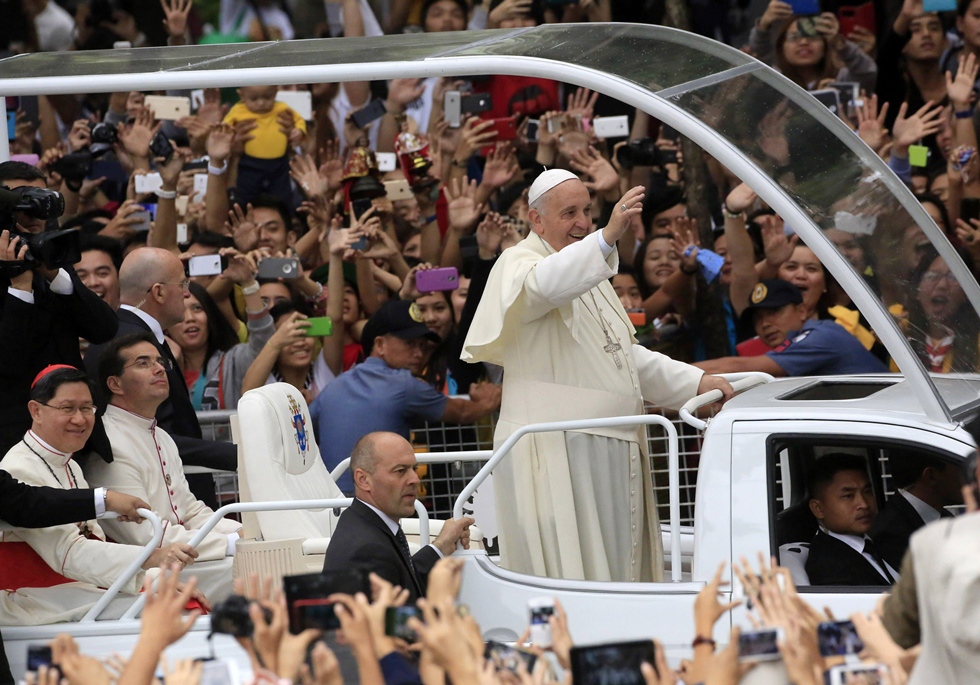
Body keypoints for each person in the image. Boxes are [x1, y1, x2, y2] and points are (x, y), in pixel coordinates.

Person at [461, 169, 731, 582]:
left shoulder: (590, 269)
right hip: (557, 452)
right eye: (568, 212)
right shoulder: (520, 263)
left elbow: (625, 356)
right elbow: (543, 288)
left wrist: (696, 383)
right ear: (536, 220)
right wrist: (606, 236)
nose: (583, 223)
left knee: (621, 573)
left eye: (587, 211)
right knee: (577, 577)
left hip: (612, 448)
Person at [0, 365, 200, 625]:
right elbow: (70, 554)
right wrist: (150, 558)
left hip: (73, 586)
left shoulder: (69, 464)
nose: (80, 419)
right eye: (68, 408)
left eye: (86, 408)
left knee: (184, 599)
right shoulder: (18, 467)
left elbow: (91, 541)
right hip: (31, 598)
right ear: (36, 411)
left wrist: (156, 578)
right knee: (174, 610)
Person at [85, 334, 242, 600]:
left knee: (267, 558)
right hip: (143, 572)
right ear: (115, 383)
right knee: (259, 570)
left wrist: (238, 533)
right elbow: (145, 535)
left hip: (185, 553)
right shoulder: (109, 443)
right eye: (143, 363)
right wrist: (229, 544)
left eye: (160, 361)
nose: (159, 368)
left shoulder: (161, 435)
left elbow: (190, 509)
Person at [84, 248, 237, 506]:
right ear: (158, 292)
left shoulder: (128, 332)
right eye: (183, 284)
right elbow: (153, 431)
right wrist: (233, 454)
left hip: (174, 491)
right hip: (152, 500)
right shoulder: (125, 340)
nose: (188, 292)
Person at [310, 299, 501, 494]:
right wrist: (488, 399)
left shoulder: (333, 386)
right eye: (409, 344)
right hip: (377, 503)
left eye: (422, 345)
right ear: (380, 344)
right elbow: (462, 412)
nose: (418, 353)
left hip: (329, 501)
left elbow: (306, 428)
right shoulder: (405, 384)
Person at [0, 161, 118, 457]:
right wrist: (19, 287)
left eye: (41, 199)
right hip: (15, 442)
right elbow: (7, 364)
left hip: (78, 437)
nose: (35, 211)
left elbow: (103, 328)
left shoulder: (53, 256)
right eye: (23, 200)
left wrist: (54, 275)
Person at [321, 431, 474, 602]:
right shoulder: (367, 550)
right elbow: (397, 624)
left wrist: (441, 546)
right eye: (400, 471)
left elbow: (403, 582)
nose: (415, 479)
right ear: (363, 479)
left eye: (414, 469)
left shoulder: (363, 523)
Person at [882, 418, 980, 680]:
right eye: (958, 467)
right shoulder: (890, 528)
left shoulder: (932, 542)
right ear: (931, 475)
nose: (965, 475)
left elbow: (896, 634)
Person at [694, 279, 888, 377]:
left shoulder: (820, 337)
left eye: (774, 311)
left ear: (802, 311)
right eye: (758, 317)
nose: (765, 323)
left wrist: (668, 373)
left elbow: (739, 368)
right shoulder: (806, 340)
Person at [167, 280, 275, 410]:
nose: (190, 318)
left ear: (210, 315)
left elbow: (262, 341)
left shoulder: (234, 360)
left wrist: (248, 283)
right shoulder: (158, 370)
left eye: (197, 308)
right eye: (180, 310)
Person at [804, 453, 897, 587]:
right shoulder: (831, 569)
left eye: (867, 492)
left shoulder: (877, 542)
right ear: (818, 508)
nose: (864, 504)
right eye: (848, 496)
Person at [871, 452, 962, 569]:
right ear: (931, 476)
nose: (970, 479)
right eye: (962, 470)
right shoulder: (890, 534)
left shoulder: (943, 517)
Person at [222, 88, 305, 207]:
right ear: (242, 95)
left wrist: (299, 130)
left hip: (279, 164)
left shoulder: (281, 107)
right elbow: (225, 127)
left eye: (267, 97)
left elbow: (298, 119)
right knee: (245, 197)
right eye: (254, 99)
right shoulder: (237, 110)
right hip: (249, 164)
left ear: (275, 93)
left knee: (282, 197)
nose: (261, 103)